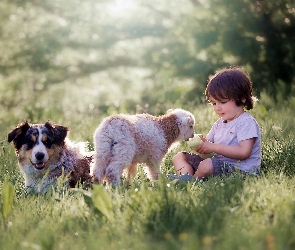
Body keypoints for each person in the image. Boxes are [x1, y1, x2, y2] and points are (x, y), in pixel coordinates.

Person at [172, 67, 261, 181]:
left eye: (223, 102)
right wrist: (201, 146)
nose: (217, 108)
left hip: (241, 171)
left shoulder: (246, 122)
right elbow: (207, 155)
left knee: (207, 165)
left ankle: (191, 181)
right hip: (218, 165)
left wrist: (213, 147)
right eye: (214, 103)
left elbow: (244, 153)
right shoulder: (219, 123)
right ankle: (185, 178)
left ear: (242, 98)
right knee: (180, 156)